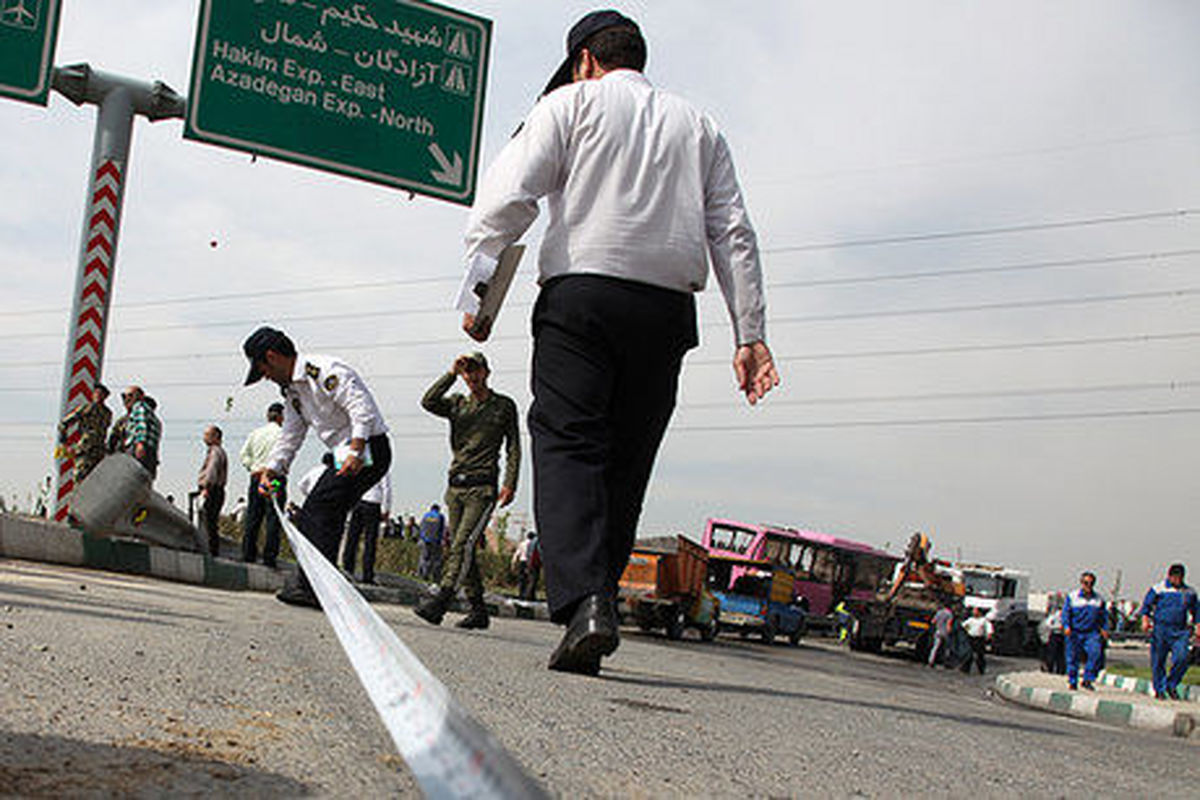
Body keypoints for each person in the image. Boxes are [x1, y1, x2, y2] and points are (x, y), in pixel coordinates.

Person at [453, 10, 779, 675]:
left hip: (582, 300)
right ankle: (594, 602)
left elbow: (506, 202)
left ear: (583, 61)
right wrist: (751, 334)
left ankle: (586, 605)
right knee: (626, 462)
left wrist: (478, 294)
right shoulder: (699, 126)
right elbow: (733, 233)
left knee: (570, 443)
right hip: (665, 312)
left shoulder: (568, 105)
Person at [242, 326, 391, 608]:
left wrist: (357, 449)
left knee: (318, 509)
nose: (266, 377)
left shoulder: (321, 370)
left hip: (368, 445)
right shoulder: (293, 393)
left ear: (272, 357)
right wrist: (271, 470)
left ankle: (314, 588)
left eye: (263, 370)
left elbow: (361, 407)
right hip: (345, 451)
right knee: (323, 510)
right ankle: (321, 585)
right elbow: (291, 434)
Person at [415, 353, 520, 630]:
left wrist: (510, 482)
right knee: (462, 548)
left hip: (482, 488)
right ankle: (478, 609)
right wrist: (450, 373)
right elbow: (428, 401)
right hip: (456, 486)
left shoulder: (504, 406)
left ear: (487, 372)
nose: (471, 376)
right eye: (467, 372)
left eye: (476, 371)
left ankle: (443, 599)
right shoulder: (457, 404)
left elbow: (513, 447)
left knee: (463, 543)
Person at [1139, 563, 1200, 700]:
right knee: (1159, 660)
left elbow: (1196, 611)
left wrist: (1198, 626)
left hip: (1179, 631)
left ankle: (1171, 684)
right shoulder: (1158, 589)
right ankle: (1159, 689)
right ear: (1170, 576)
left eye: (1180, 577)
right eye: (1175, 577)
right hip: (1161, 629)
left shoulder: (1189, 592)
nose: (1177, 580)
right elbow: (1146, 606)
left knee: (1182, 657)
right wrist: (1145, 620)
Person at [240, 402, 287, 568]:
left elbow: (244, 455)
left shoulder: (255, 433)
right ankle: (269, 557)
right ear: (282, 416)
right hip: (275, 479)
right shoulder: (283, 434)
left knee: (253, 516)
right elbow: (285, 458)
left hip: (256, 478)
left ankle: (248, 554)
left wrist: (254, 468)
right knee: (273, 518)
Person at [57, 382, 112, 486]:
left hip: (99, 451)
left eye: (101, 394)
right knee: (80, 477)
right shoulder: (86, 408)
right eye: (97, 393)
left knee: (95, 482)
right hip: (85, 448)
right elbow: (64, 423)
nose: (98, 396)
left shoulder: (107, 413)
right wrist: (64, 440)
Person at [1062, 571, 1108, 690]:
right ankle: (1073, 681)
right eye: (1086, 583)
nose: (1088, 585)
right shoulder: (1072, 597)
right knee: (1073, 657)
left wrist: (1104, 629)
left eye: (1091, 583)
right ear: (1081, 583)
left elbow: (1103, 617)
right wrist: (1066, 626)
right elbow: (1066, 613)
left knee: (1095, 654)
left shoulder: (1098, 600)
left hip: (1091, 633)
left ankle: (1087, 679)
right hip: (1075, 632)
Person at [343, 473, 391, 584]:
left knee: (352, 537)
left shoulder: (364, 465)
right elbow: (386, 488)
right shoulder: (383, 469)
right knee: (370, 541)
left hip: (359, 501)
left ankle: (348, 569)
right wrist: (386, 509)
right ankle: (367, 574)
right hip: (373, 503)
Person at [196, 425, 228, 556]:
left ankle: (211, 551)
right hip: (215, 490)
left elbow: (212, 471)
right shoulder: (216, 451)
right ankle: (212, 550)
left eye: (207, 434)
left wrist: (206, 487)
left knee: (209, 522)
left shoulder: (216, 452)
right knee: (211, 522)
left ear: (216, 437)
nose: (204, 437)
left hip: (213, 489)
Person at [121, 386, 162, 478]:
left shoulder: (139, 407)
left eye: (130, 395)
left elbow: (142, 424)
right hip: (150, 453)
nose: (126, 399)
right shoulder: (156, 420)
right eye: (124, 396)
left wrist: (140, 443)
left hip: (137, 448)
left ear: (140, 397)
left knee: (131, 477)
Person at [960, 606, 994, 675]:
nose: (973, 612)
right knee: (968, 653)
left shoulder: (984, 620)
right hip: (971, 638)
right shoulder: (971, 620)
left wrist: (989, 637)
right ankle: (965, 668)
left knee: (980, 655)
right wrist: (967, 631)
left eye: (975, 611)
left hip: (979, 639)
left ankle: (981, 669)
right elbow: (964, 626)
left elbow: (989, 629)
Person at [417, 504, 446, 581]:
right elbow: (442, 530)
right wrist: (442, 540)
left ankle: (422, 575)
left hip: (424, 540)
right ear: (438, 509)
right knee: (435, 559)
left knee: (423, 558)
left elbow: (421, 527)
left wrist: (422, 538)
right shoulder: (440, 516)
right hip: (435, 541)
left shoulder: (425, 516)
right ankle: (435, 577)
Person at [1038, 601, 1066, 675]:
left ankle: (1061, 670)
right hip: (1055, 634)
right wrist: (1056, 627)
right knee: (1052, 652)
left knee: (1061, 654)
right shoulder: (1055, 615)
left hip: (1062, 635)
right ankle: (1049, 668)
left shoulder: (1066, 615)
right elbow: (1048, 624)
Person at [928, 603, 955, 668]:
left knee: (935, 647)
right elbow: (949, 624)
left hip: (938, 631)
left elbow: (933, 621)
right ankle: (946, 661)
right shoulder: (949, 614)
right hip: (945, 633)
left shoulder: (939, 612)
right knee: (947, 647)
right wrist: (949, 632)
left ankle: (931, 660)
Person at [512, 531, 535, 600]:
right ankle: (528, 595)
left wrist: (513, 562)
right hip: (529, 562)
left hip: (522, 562)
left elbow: (517, 553)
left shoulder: (522, 543)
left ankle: (521, 594)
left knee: (522, 579)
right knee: (530, 579)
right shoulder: (533, 544)